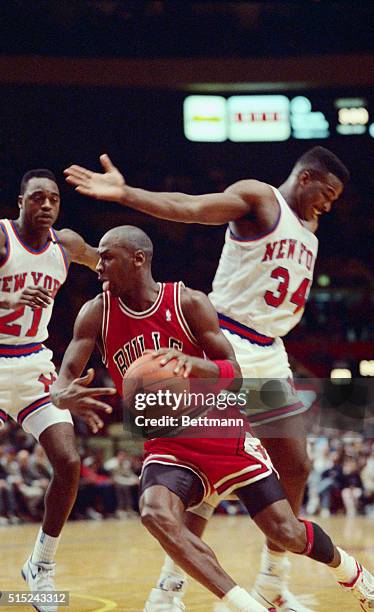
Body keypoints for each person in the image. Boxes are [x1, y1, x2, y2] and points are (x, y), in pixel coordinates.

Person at [64, 146, 350, 610]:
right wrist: (126, 194)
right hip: (224, 345)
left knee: (295, 466)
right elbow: (191, 208)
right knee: (203, 470)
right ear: (307, 176)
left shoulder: (310, 226)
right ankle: (169, 587)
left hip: (270, 352)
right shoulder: (259, 199)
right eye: (327, 192)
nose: (329, 204)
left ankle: (273, 580)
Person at [0, 169, 115, 612]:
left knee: (68, 462)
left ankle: (40, 565)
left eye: (53, 199)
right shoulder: (4, 238)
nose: (46, 205)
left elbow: (104, 259)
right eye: (37, 198)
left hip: (32, 364)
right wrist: (8, 302)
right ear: (20, 202)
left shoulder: (65, 245)